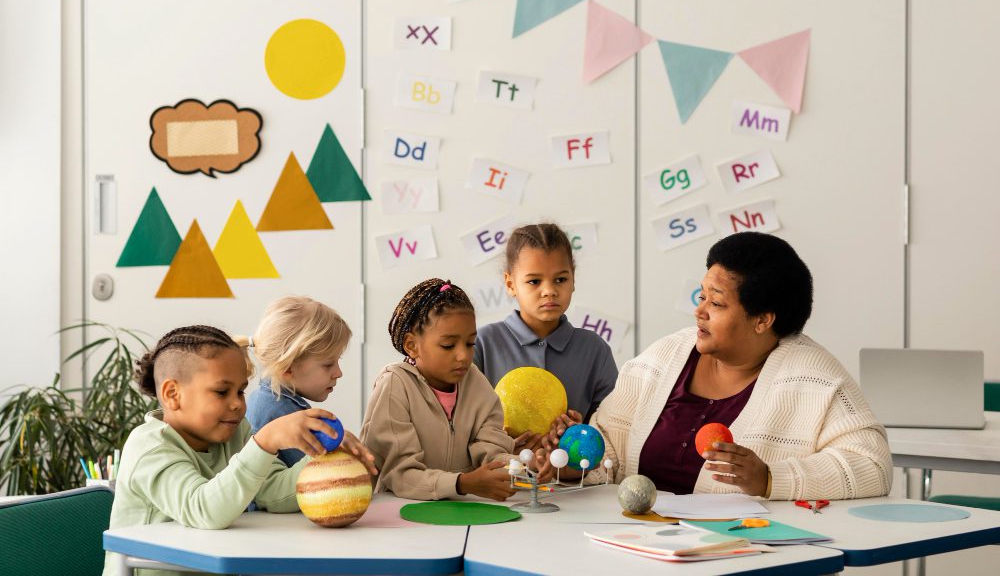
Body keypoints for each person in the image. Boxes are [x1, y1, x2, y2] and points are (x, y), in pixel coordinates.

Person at [539, 232, 892, 500]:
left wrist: (770, 479)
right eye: (701, 296)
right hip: (639, 549)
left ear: (763, 320)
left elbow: (873, 467)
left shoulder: (817, 379)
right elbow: (609, 449)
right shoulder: (665, 356)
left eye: (717, 303)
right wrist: (571, 463)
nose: (700, 311)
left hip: (741, 556)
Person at [103, 325, 358, 576]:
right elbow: (203, 509)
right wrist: (264, 442)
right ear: (173, 394)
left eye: (241, 391)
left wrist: (322, 457)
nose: (237, 404)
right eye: (222, 392)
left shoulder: (235, 432)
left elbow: (274, 495)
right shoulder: (150, 446)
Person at [361, 278, 516, 501]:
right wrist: (461, 483)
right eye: (448, 345)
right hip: (400, 513)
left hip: (463, 511)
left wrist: (522, 467)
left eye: (470, 343)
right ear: (412, 346)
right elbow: (400, 475)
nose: (463, 355)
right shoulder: (395, 385)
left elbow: (491, 450)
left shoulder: (476, 382)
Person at [473, 223, 618, 450]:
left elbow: (611, 433)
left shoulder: (594, 349)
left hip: (574, 482)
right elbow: (460, 423)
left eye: (560, 279)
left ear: (573, 279)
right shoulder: (482, 343)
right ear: (510, 284)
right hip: (498, 477)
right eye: (534, 281)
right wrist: (498, 438)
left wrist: (581, 435)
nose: (549, 290)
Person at [242, 295, 370, 467]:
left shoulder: (271, 400)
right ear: (287, 368)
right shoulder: (278, 411)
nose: (338, 373)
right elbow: (318, 473)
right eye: (328, 365)